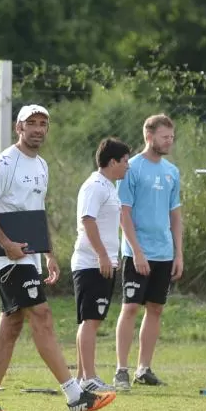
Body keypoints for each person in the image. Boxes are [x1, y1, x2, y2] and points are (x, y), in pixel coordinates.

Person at [0, 104, 116, 411]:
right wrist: (7, 245)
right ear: (18, 128)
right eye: (31, 123)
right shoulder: (4, 163)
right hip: (9, 258)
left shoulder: (42, 166)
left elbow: (36, 214)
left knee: (10, 327)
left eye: (43, 124)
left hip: (30, 257)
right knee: (42, 314)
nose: (38, 129)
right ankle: (76, 396)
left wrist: (48, 252)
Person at [113, 114, 183, 391]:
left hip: (164, 252)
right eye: (165, 136)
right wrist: (137, 252)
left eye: (172, 137)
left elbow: (175, 214)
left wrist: (178, 253)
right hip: (136, 252)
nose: (169, 141)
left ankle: (144, 368)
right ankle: (121, 370)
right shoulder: (132, 169)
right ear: (149, 136)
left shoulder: (172, 171)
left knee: (155, 308)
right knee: (130, 307)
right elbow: (124, 213)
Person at [72, 137, 132, 393]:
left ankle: (81, 377)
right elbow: (87, 220)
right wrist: (102, 256)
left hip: (102, 263)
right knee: (91, 320)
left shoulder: (109, 187)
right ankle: (89, 378)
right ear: (112, 162)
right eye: (125, 161)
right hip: (91, 264)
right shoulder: (95, 186)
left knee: (91, 320)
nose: (127, 166)